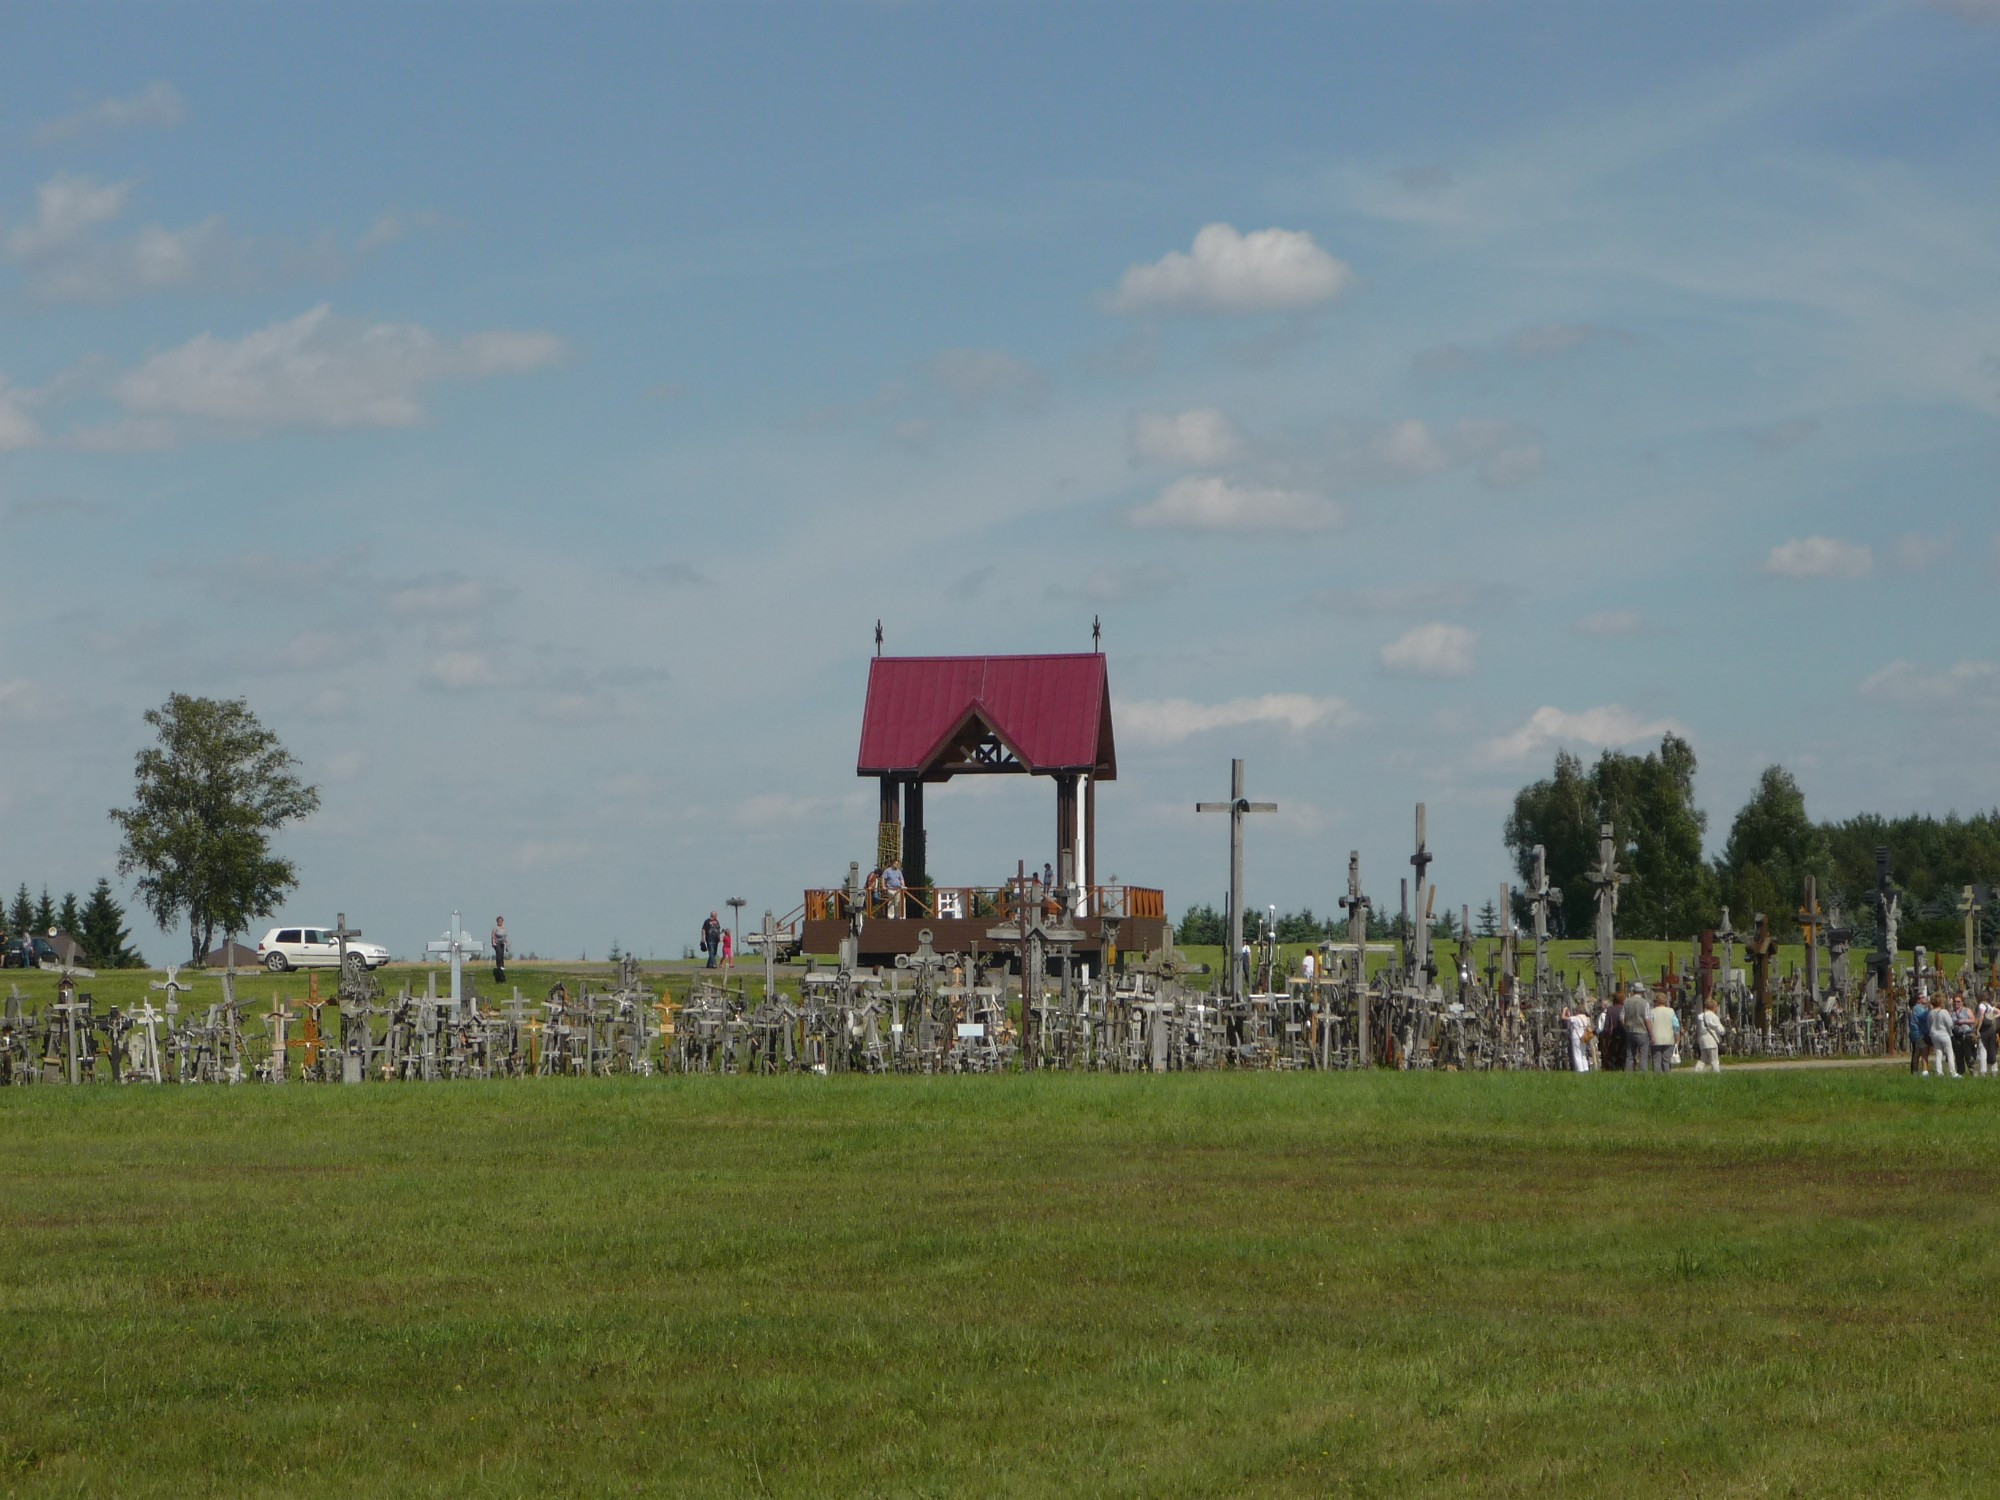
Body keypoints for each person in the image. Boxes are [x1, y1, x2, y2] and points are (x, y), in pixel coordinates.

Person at [1928, 991, 1957, 1078]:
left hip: (1934, 1034)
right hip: (1944, 1034)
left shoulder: (1930, 1013)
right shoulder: (1944, 1011)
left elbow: (1928, 1024)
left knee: (1938, 1052)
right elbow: (1950, 1023)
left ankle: (1939, 1072)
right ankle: (1953, 1072)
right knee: (1949, 1052)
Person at [1623, 985, 1651, 1073]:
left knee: (1630, 1055)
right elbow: (1647, 1019)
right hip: (1642, 1031)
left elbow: (1621, 1017)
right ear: (1642, 992)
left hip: (1630, 1030)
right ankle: (1643, 1074)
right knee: (1643, 1054)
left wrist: (1626, 1027)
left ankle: (1628, 1073)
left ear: (1633, 991)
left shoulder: (1626, 1002)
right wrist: (1651, 1033)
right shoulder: (1645, 1003)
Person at [1648, 992, 1678, 1074]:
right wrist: (1677, 1038)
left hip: (1656, 1038)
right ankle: (1667, 1076)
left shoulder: (1652, 1012)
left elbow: (1649, 1024)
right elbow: (1676, 1026)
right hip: (1669, 1039)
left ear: (1656, 1001)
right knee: (1666, 1059)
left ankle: (1657, 1077)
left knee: (1656, 1059)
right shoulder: (1671, 1011)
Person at [1695, 1001, 1726, 1072]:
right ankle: (1716, 1073)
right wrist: (1724, 1031)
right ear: (1714, 1007)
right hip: (1711, 1040)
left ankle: (1697, 1072)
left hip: (1702, 1039)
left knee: (1703, 1058)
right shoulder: (1713, 1016)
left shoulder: (1700, 1016)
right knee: (1714, 1059)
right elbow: (1720, 1029)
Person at [1952, 997, 1977, 1076]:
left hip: (1966, 1035)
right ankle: (1960, 1073)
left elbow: (1973, 1020)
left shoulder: (1967, 1010)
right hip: (1956, 1036)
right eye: (1955, 1001)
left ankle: (1973, 1072)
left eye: (1958, 1001)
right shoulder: (1952, 1012)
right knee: (1958, 1056)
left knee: (1968, 1055)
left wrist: (1963, 1021)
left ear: (1962, 1002)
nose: (1956, 1003)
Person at [1564, 1001, 1591, 1072]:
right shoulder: (1586, 1018)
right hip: (1584, 1036)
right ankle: (1586, 1069)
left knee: (1577, 1055)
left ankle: (1580, 1071)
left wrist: (1564, 1010)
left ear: (1578, 1010)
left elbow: (1563, 1017)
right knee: (1583, 1054)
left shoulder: (1576, 1018)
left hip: (1576, 1037)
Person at [1909, 991, 1930, 1076]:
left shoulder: (1919, 1008)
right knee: (1924, 1051)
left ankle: (1915, 1071)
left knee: (1918, 1051)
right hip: (1919, 1032)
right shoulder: (1918, 1008)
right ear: (1918, 1000)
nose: (1925, 998)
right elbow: (1925, 1017)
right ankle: (1925, 1071)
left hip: (1916, 1032)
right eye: (1922, 997)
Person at [1979, 994, 1998, 1078]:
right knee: (1992, 1050)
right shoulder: (1990, 1006)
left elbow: (1981, 1017)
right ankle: (1994, 1070)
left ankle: (1983, 1071)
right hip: (1991, 1030)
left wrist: (1977, 1029)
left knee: (1983, 1050)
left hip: (1983, 1030)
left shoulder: (1981, 1006)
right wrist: (1993, 1017)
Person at [490, 916, 508, 984]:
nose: (500, 922)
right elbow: (493, 935)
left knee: (502, 955)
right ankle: (498, 966)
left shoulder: (504, 928)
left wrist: (507, 943)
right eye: (499, 921)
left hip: (502, 943)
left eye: (501, 921)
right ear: (497, 921)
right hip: (497, 943)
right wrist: (493, 942)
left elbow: (505, 936)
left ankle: (502, 966)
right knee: (499, 954)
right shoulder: (495, 928)